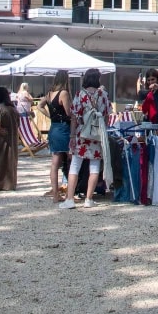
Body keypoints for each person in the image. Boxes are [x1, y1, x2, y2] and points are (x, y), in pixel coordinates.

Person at [60, 68, 111, 210]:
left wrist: (72, 135)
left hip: (81, 133)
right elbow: (107, 115)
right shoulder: (103, 95)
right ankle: (89, 199)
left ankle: (70, 199)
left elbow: (74, 117)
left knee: (75, 166)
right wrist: (102, 131)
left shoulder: (80, 95)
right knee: (94, 166)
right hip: (97, 135)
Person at [40, 71, 74, 202]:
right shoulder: (63, 93)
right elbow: (69, 112)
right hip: (63, 128)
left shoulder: (49, 94)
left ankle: (55, 194)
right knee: (70, 160)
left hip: (53, 127)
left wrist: (50, 116)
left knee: (55, 162)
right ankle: (69, 193)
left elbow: (39, 106)